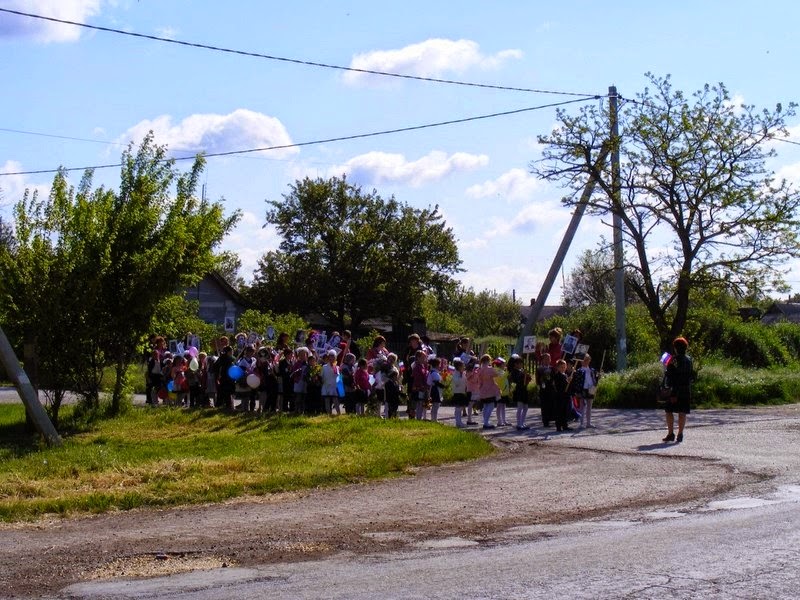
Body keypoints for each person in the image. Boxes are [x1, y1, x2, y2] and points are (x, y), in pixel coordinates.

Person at [663, 337, 696, 443]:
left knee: (669, 411)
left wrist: (666, 367)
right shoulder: (689, 359)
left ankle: (670, 433)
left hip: (675, 389)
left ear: (676, 348)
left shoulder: (672, 360)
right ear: (686, 347)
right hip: (686, 389)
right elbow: (691, 374)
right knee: (682, 412)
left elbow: (670, 375)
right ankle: (680, 434)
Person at [478, 354, 500, 429]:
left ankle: (485, 421)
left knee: (485, 406)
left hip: (482, 389)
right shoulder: (489, 369)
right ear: (488, 360)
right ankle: (486, 422)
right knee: (490, 406)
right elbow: (497, 374)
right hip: (490, 389)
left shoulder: (479, 369)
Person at [578, 354, 600, 429]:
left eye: (588, 360)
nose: (586, 362)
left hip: (591, 388)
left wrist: (598, 377)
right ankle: (581, 423)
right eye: (585, 360)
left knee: (589, 407)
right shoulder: (579, 370)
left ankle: (588, 423)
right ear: (581, 361)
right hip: (583, 389)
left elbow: (595, 380)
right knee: (582, 407)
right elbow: (577, 381)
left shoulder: (592, 370)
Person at [509, 355, 530, 430]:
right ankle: (518, 424)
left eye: (521, 363)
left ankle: (522, 422)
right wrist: (523, 374)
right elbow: (516, 380)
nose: (521, 365)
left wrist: (527, 376)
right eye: (519, 363)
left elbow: (527, 379)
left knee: (526, 407)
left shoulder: (521, 371)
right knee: (520, 407)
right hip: (519, 390)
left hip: (524, 390)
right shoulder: (514, 372)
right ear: (515, 364)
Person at [553, 359, 572, 432]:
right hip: (559, 396)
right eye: (561, 367)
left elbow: (568, 386)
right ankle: (558, 426)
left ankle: (565, 425)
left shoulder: (565, 375)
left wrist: (569, 382)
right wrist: (567, 382)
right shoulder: (557, 376)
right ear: (557, 367)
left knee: (565, 411)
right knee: (559, 411)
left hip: (565, 396)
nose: (563, 368)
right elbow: (560, 386)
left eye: (564, 367)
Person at [321, 349, 341, 416]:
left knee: (335, 400)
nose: (331, 358)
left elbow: (338, 377)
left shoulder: (337, 367)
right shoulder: (324, 367)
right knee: (327, 400)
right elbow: (322, 376)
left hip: (334, 386)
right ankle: (328, 413)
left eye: (333, 356)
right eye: (330, 356)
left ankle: (338, 413)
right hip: (326, 385)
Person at [450, 358, 468, 427]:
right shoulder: (456, 373)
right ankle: (458, 422)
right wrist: (461, 377)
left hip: (461, 392)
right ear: (459, 367)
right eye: (463, 366)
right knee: (458, 409)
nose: (464, 367)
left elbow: (465, 382)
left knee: (460, 408)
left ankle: (459, 422)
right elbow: (456, 382)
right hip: (457, 393)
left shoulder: (462, 373)